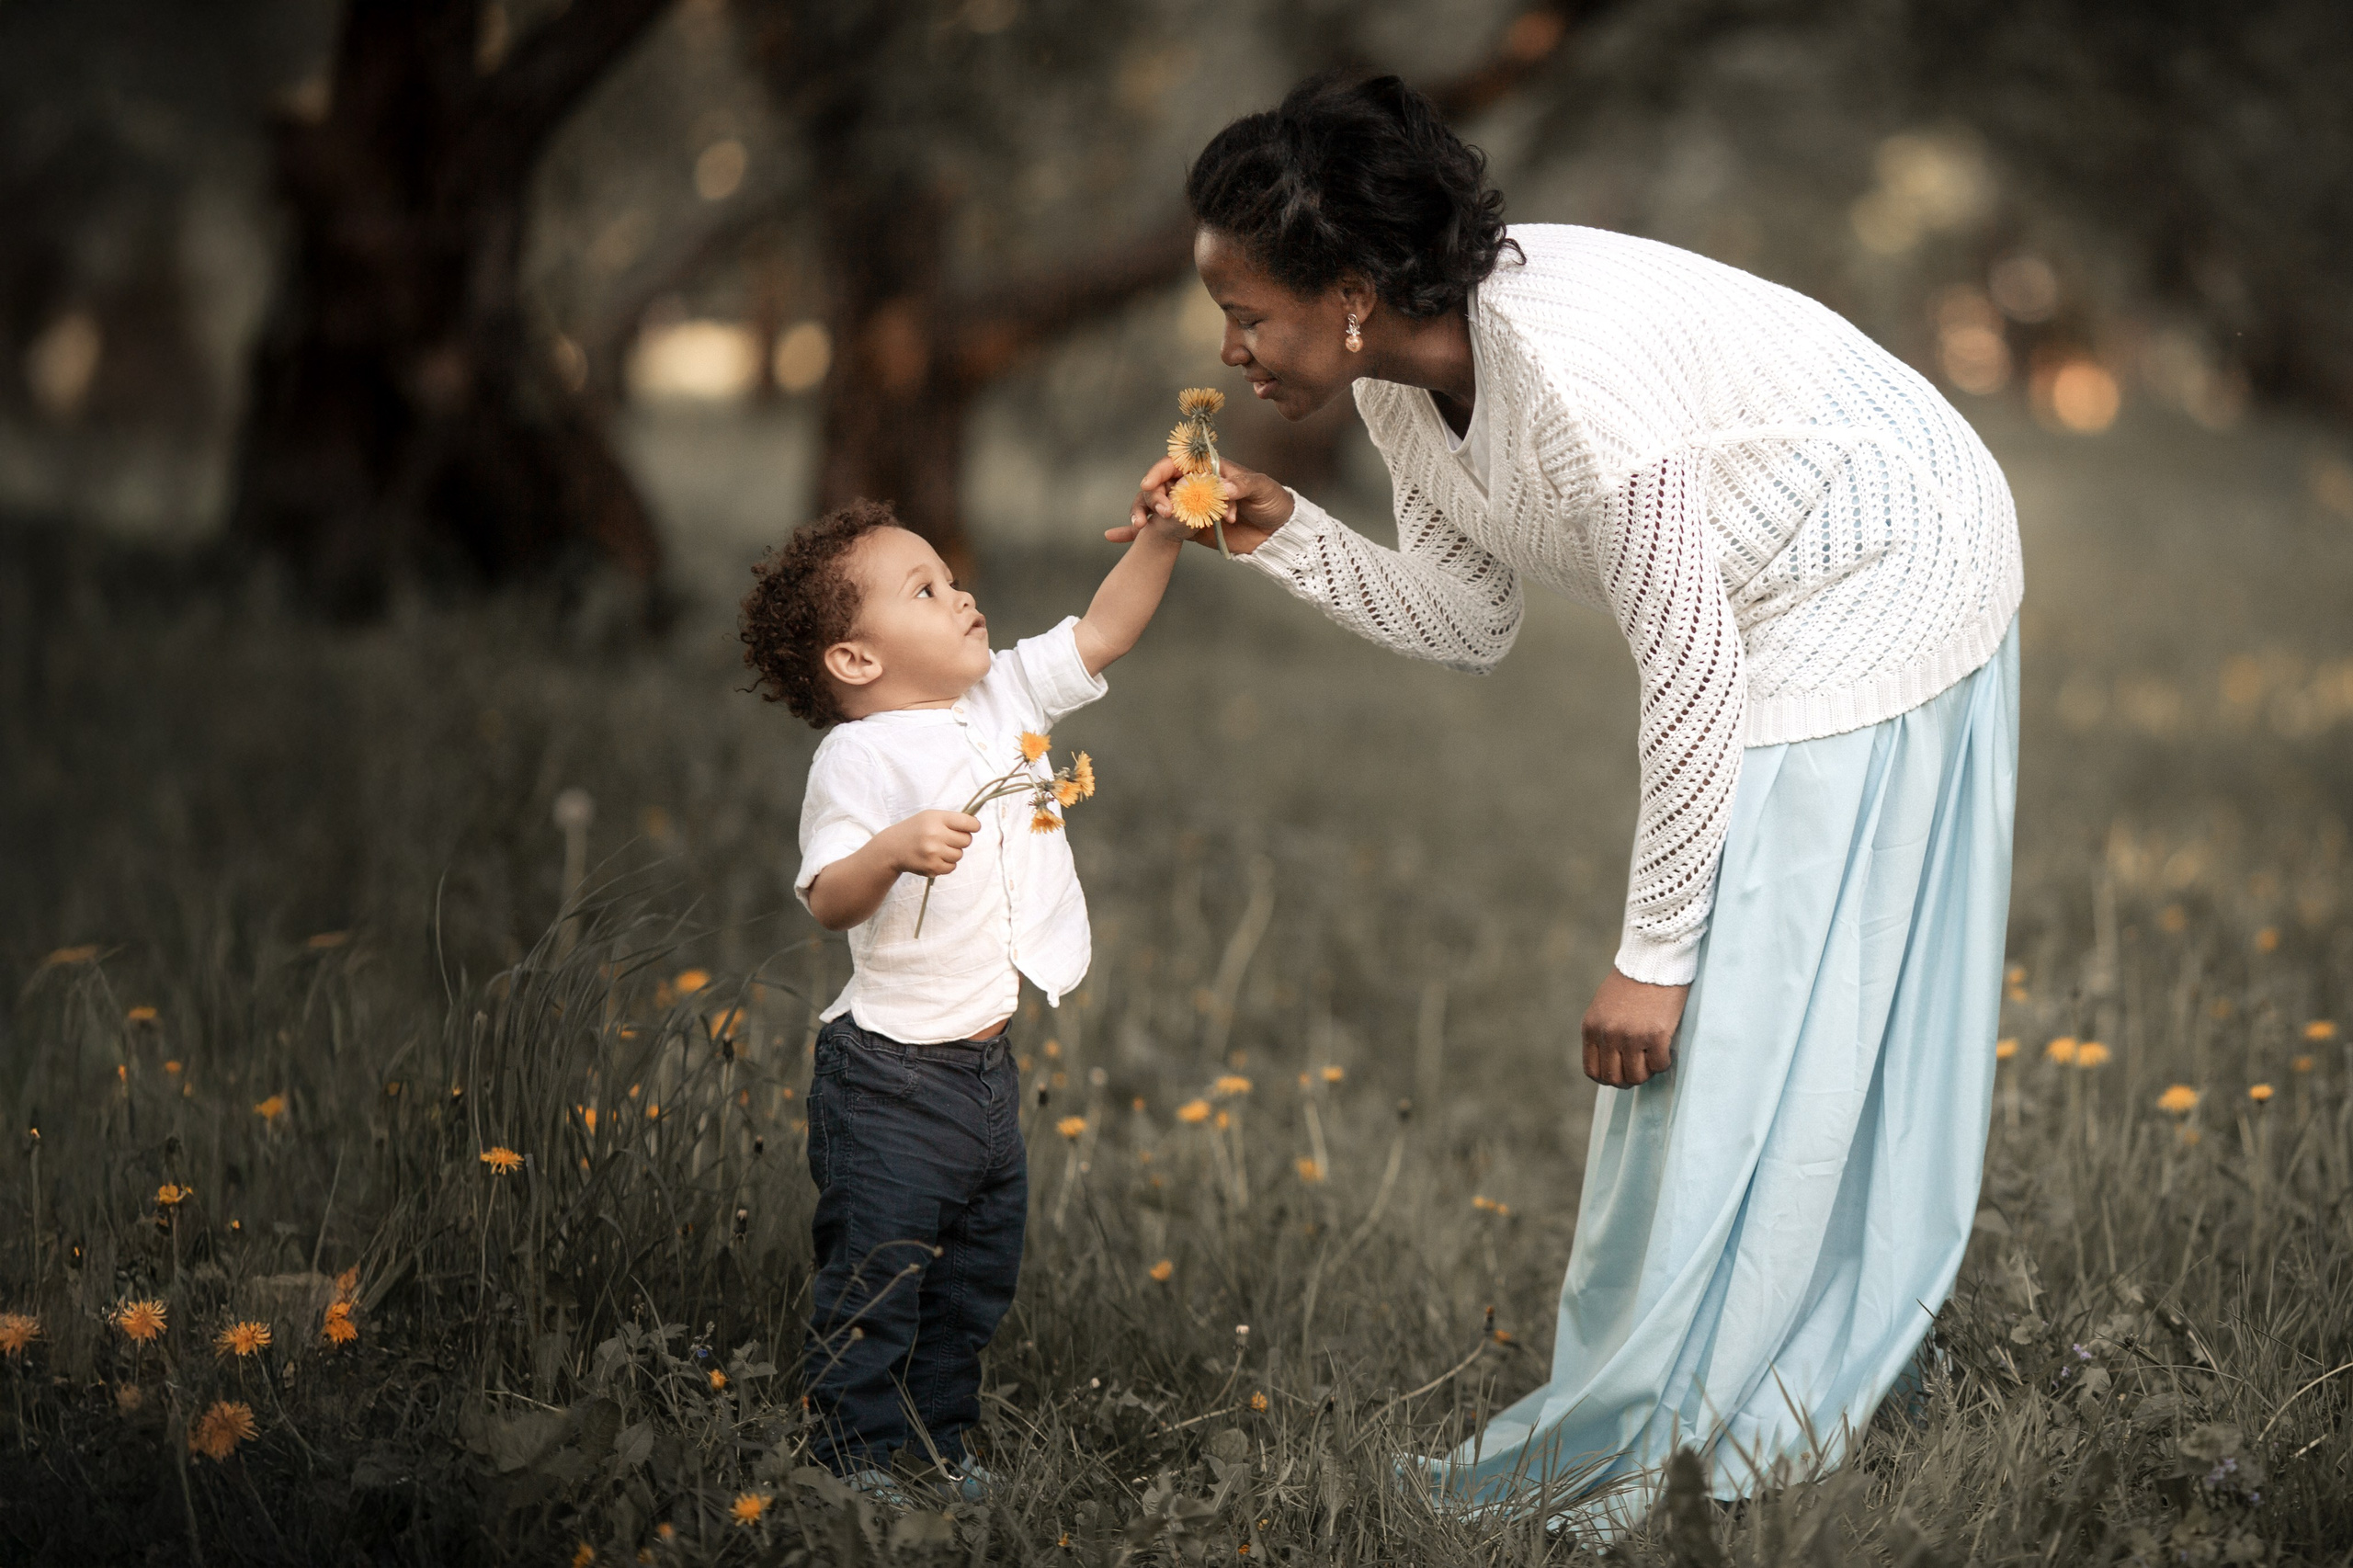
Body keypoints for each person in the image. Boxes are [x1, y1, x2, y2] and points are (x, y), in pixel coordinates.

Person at [1121, 74, 2022, 1533]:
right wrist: (1284, 532)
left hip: (1883, 550)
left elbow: (1689, 662)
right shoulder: (1407, 392)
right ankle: (1721, 1361)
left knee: (1734, 993)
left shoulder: (1572, 371)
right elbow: (1468, 620)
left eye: (1249, 314)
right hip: (1770, 599)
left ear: (1351, 292)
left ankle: (1715, 1406)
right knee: (1744, 1000)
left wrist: (1651, 953)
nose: (1228, 348)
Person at [738, 496, 1187, 1498]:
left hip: (982, 1072)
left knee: (973, 1275)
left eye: (952, 577)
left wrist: (1163, 534)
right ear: (857, 659)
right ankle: (851, 1460)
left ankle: (937, 1441)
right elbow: (825, 894)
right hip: (890, 1078)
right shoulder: (859, 757)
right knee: (878, 1275)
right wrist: (891, 850)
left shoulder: (1005, 700)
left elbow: (1104, 630)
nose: (962, 595)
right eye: (926, 590)